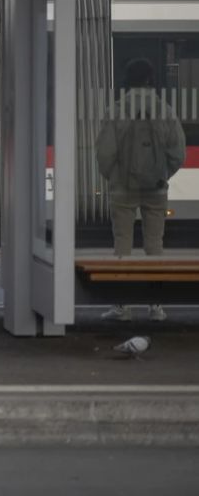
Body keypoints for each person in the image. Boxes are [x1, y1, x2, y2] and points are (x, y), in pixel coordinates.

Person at [97, 59, 186, 322]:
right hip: (156, 190)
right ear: (150, 80)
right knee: (154, 245)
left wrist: (115, 176)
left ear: (128, 80)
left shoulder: (116, 110)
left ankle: (122, 306)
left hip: (123, 189)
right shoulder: (165, 110)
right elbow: (178, 153)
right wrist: (162, 175)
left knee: (122, 244)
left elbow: (104, 153)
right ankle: (155, 305)